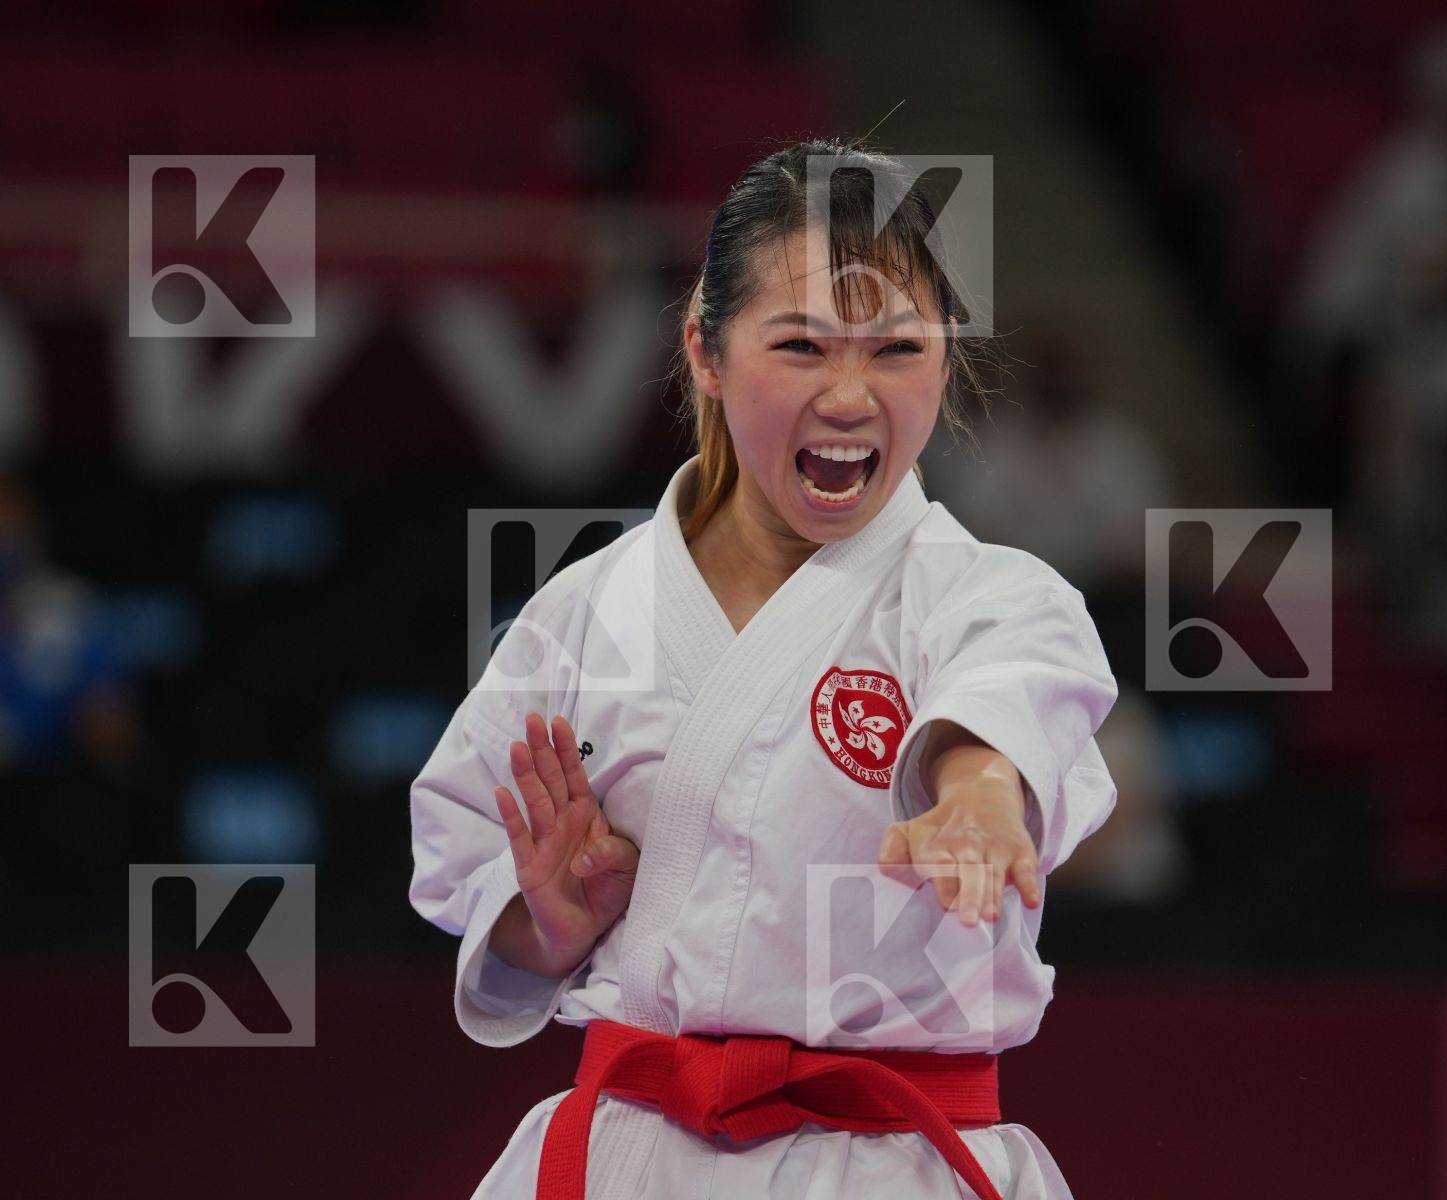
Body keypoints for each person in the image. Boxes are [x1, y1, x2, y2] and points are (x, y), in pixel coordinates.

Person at [409, 139, 1119, 1200]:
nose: (849, 395)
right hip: (626, 1154)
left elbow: (1000, 708)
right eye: (801, 346)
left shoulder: (1000, 598)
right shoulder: (582, 614)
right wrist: (546, 924)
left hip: (891, 1165)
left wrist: (975, 798)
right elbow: (467, 877)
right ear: (705, 350)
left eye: (897, 350)